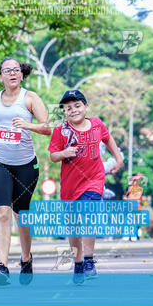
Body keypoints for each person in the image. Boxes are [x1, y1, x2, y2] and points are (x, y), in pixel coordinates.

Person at [48, 89, 123, 284]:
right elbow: (53, 156)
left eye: (77, 106)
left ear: (86, 107)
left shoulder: (97, 124)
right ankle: (78, 262)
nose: (73, 110)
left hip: (94, 181)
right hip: (70, 187)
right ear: (64, 111)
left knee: (89, 216)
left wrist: (118, 158)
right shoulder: (61, 130)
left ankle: (89, 260)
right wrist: (64, 153)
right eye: (68, 108)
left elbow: (108, 138)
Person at [0, 58, 51, 285]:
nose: (12, 73)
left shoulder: (30, 98)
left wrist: (28, 125)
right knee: (3, 211)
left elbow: (48, 127)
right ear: (1, 76)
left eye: (16, 70)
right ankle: (2, 266)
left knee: (20, 214)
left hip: (26, 165)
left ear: (21, 75)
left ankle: (26, 258)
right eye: (7, 70)